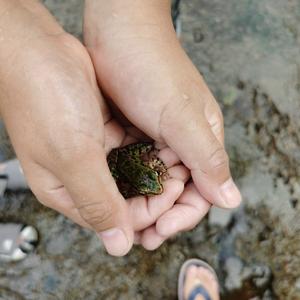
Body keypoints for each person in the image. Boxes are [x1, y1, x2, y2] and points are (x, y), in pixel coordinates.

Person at [0, 0, 242, 257]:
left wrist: (136, 18)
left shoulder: (152, 175)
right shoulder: (153, 172)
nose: (157, 188)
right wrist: (16, 61)